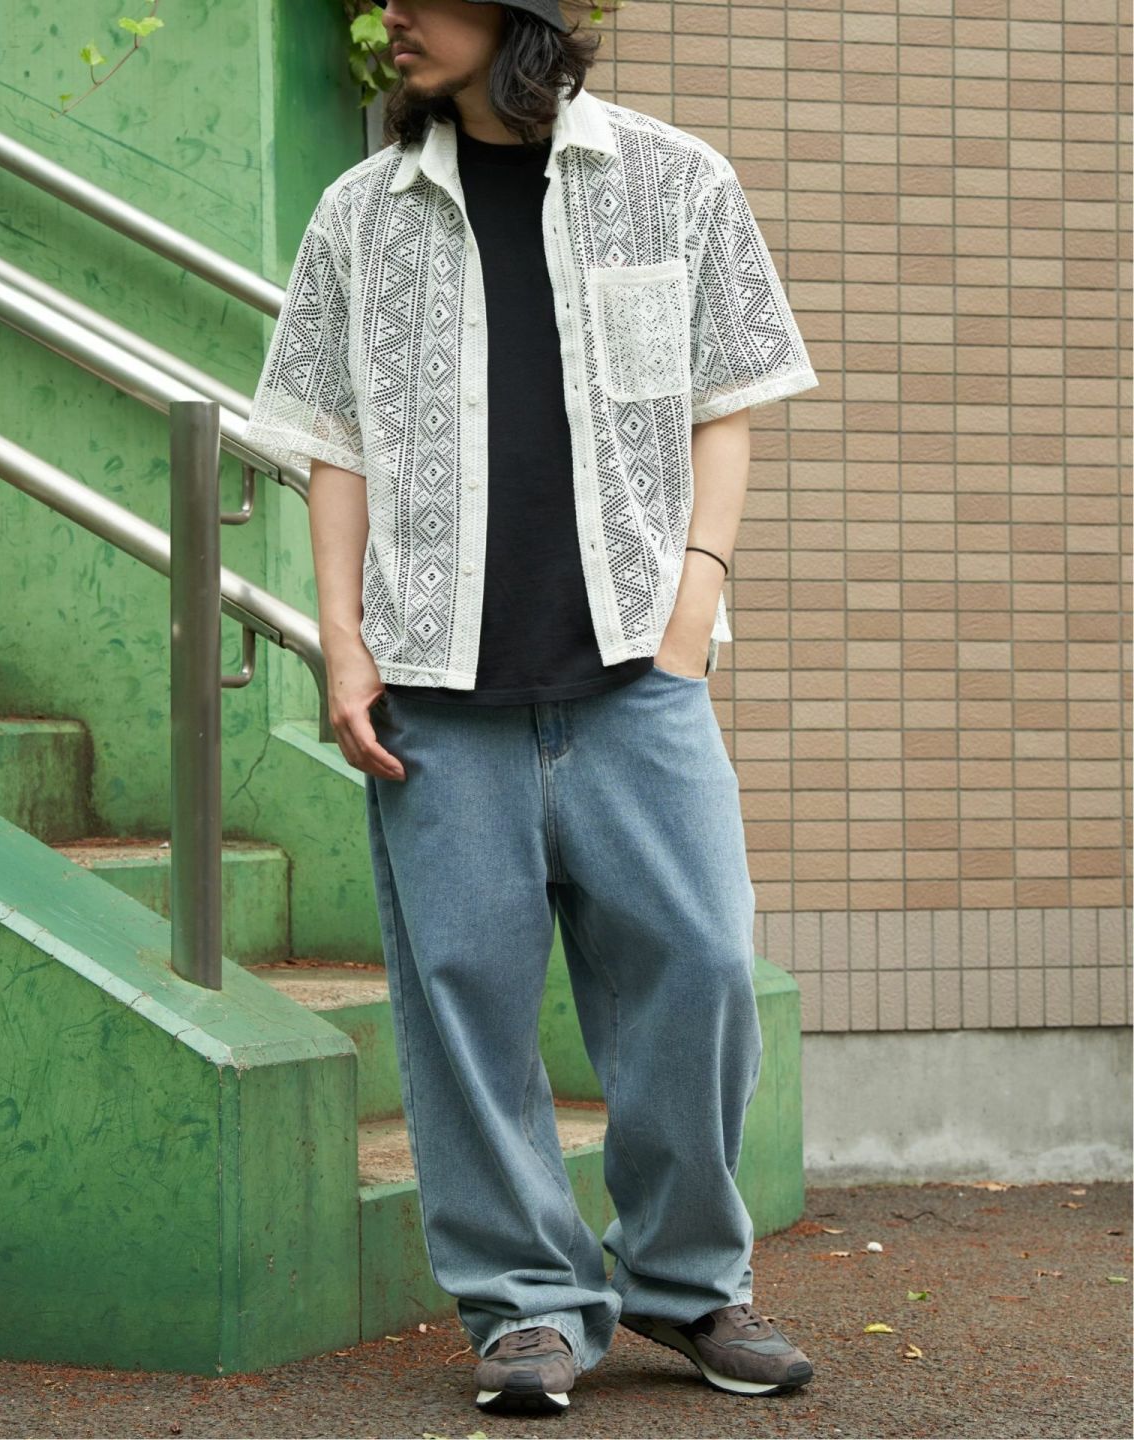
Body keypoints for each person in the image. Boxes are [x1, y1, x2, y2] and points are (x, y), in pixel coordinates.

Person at [243, 0, 819, 1416]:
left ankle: (687, 1281)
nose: (392, 17)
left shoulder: (676, 181)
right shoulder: (361, 215)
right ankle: (525, 1308)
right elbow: (333, 440)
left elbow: (728, 399)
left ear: (524, 15)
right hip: (438, 694)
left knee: (703, 966)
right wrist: (341, 642)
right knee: (465, 1007)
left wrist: (694, 600)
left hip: (638, 681)